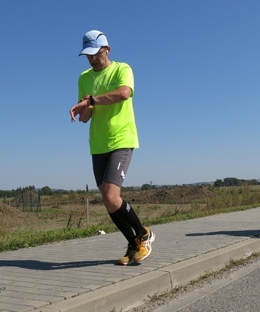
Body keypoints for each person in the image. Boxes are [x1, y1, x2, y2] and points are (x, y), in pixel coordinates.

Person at [69, 30, 155, 265]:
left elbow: (124, 93)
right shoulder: (84, 78)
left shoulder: (122, 69)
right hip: (98, 144)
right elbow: (87, 117)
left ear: (107, 49)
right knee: (108, 201)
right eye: (87, 55)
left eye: (95, 53)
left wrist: (93, 100)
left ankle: (144, 234)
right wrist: (82, 107)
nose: (91, 59)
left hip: (121, 139)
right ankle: (134, 243)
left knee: (111, 195)